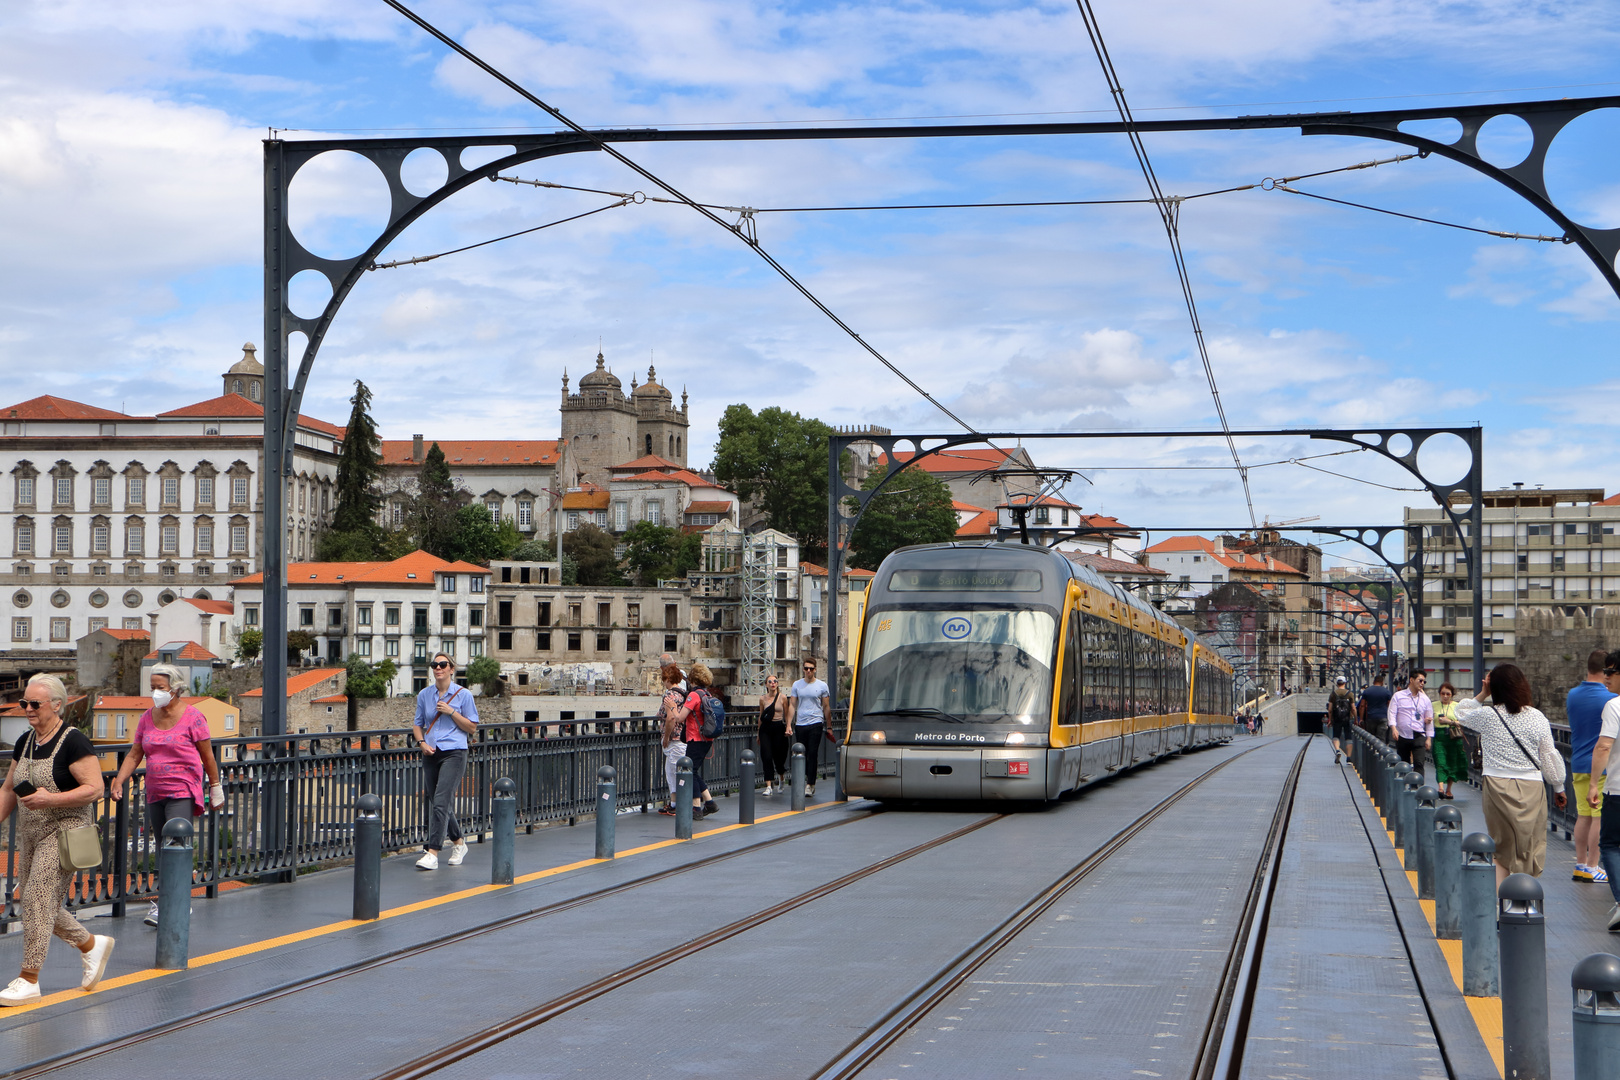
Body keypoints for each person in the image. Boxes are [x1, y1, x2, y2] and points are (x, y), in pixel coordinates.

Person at [0, 674, 115, 1005]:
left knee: (37, 897)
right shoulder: (26, 741)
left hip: (65, 831)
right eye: (24, 703)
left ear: (57, 705)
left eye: (35, 704)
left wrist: (50, 799)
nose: (28, 709)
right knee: (37, 901)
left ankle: (29, 979)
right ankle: (91, 945)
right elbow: (9, 788)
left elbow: (94, 788)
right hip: (31, 833)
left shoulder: (73, 741)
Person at [109, 663, 224, 926]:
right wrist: (119, 780)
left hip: (183, 789)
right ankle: (177, 900)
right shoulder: (147, 717)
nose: (155, 693)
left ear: (175, 688)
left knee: (175, 845)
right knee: (163, 847)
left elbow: (207, 755)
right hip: (155, 791)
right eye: (152, 688)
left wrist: (215, 787)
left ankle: (169, 903)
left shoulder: (193, 717)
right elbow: (135, 753)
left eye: (160, 688)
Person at [1456, 663, 1567, 886]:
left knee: (1502, 849)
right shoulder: (1537, 718)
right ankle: (1525, 902)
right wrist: (1558, 787)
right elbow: (1549, 756)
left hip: (1496, 785)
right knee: (1530, 846)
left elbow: (1460, 712)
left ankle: (1500, 907)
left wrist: (1483, 693)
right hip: (1532, 788)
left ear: (1495, 688)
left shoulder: (1488, 716)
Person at [411, 652, 479, 870]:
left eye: (443, 664)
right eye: (435, 664)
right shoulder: (424, 695)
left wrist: (451, 712)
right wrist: (421, 742)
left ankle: (433, 852)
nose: (438, 668)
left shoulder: (463, 695)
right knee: (437, 801)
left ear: (451, 669)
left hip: (454, 752)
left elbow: (471, 727)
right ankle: (459, 842)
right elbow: (417, 724)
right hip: (431, 752)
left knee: (441, 800)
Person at [1567, 649, 1615, 883]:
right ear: (1606, 671)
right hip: (1601, 766)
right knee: (1598, 817)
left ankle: (1580, 864)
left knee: (1583, 816)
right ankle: (1594, 865)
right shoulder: (1610, 699)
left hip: (1577, 762)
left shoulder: (1572, 695)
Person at [1587, 650, 1620, 928]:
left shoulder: (1614, 706)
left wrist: (1593, 784)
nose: (1605, 676)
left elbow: (1604, 746)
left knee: (1610, 846)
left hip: (1618, 791)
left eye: (1610, 672)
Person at [671, 662, 719, 818]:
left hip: (695, 738)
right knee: (694, 771)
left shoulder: (693, 695)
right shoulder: (707, 694)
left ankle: (697, 808)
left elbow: (680, 718)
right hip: (707, 738)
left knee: (690, 771)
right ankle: (709, 803)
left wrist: (671, 707)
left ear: (692, 678)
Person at [788, 659, 831, 798]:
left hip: (816, 722)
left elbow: (826, 706)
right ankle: (804, 779)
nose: (808, 671)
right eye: (806, 668)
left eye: (811, 669)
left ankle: (810, 783)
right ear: (803, 669)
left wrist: (829, 726)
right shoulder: (797, 685)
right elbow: (792, 705)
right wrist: (789, 724)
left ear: (815, 670)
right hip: (801, 723)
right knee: (802, 753)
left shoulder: (822, 686)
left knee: (812, 752)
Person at [1388, 671, 1434, 776]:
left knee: (1419, 763)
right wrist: (1393, 729)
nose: (1422, 683)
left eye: (1424, 681)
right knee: (1404, 764)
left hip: (1419, 734)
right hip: (1403, 734)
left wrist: (1429, 738)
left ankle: (1418, 788)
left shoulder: (1425, 699)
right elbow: (1392, 713)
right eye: (1420, 680)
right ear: (1411, 680)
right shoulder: (1398, 696)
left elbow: (1429, 719)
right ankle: (1404, 788)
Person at [657, 663, 687, 815]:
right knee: (674, 772)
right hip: (683, 738)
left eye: (663, 679)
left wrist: (666, 737)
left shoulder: (670, 695)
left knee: (674, 773)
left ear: (667, 678)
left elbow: (670, 719)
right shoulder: (682, 692)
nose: (663, 682)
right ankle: (675, 803)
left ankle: (677, 804)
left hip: (674, 740)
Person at [1431, 683, 1469, 801]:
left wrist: (1449, 721)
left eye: (1448, 694)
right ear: (1439, 694)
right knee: (1440, 761)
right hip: (1439, 737)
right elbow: (1432, 719)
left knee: (1452, 762)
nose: (1445, 696)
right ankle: (1441, 788)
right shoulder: (1433, 705)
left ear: (1452, 695)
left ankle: (1449, 790)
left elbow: (1463, 721)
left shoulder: (1457, 706)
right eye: (1443, 693)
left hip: (1454, 737)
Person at [758, 674, 790, 797]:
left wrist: (788, 727)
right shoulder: (762, 699)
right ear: (766, 684)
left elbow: (786, 714)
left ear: (777, 684)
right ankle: (768, 785)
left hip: (778, 728)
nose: (773, 683)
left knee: (778, 757)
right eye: (770, 681)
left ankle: (781, 777)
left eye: (775, 681)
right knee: (766, 755)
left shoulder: (782, 698)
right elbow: (761, 716)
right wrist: (758, 732)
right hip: (766, 729)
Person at [1327, 676, 1356, 764]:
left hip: (1337, 718)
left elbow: (1330, 709)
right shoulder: (1349, 693)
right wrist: (1356, 719)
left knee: (1336, 736)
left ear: (1337, 683)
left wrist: (1330, 719)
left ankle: (1337, 750)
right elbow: (1353, 708)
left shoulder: (1333, 694)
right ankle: (1349, 758)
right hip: (1347, 718)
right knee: (1348, 738)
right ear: (1345, 683)